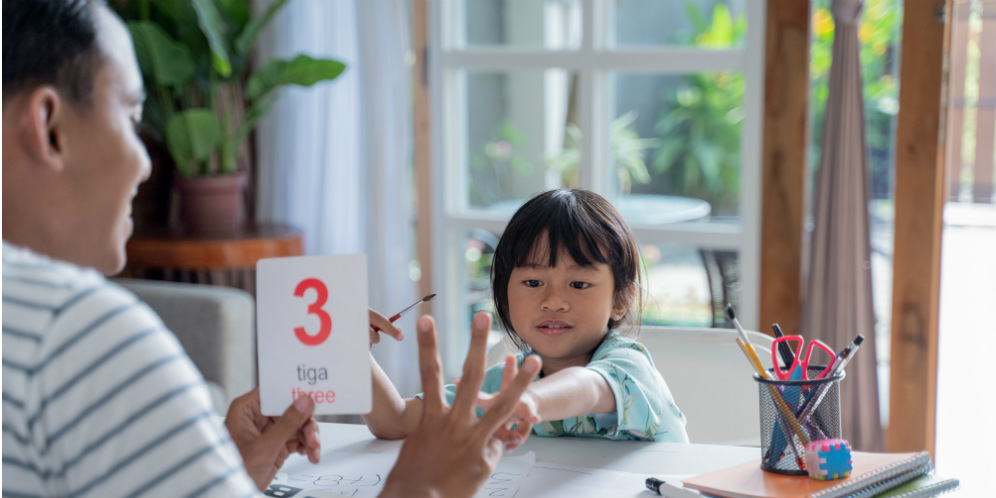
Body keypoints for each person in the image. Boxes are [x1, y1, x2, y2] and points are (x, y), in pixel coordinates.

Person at [3, 1, 536, 497]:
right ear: (49, 128)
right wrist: (423, 487)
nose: (145, 163)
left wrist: (223, 475)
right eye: (130, 116)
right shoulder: (83, 339)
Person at [365, 188, 690, 446]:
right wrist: (353, 350)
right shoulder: (503, 385)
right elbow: (395, 421)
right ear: (504, 298)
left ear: (620, 300)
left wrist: (527, 400)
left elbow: (588, 388)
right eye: (533, 283)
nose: (553, 301)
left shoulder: (627, 365)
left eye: (579, 284)